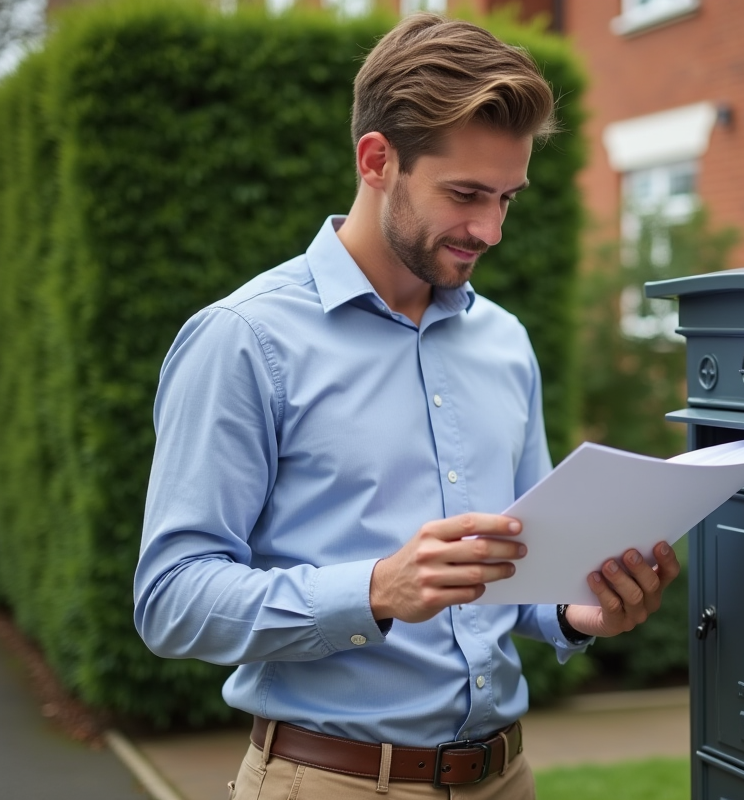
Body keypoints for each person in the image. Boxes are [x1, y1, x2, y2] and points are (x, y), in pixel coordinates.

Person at [133, 13, 680, 800]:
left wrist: (574, 613)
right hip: (329, 782)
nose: (489, 229)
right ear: (376, 159)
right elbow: (171, 599)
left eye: (507, 198)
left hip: (507, 778)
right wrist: (376, 589)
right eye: (465, 194)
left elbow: (520, 564)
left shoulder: (504, 340)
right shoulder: (245, 339)